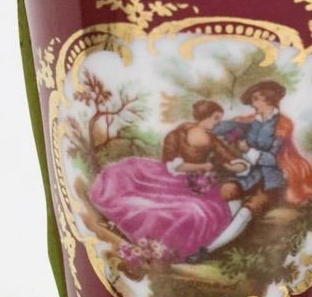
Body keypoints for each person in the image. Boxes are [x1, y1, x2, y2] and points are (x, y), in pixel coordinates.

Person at [86, 100, 243, 261]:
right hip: (170, 176)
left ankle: (164, 249)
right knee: (124, 177)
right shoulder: (178, 134)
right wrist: (203, 166)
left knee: (196, 212)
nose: (218, 123)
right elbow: (171, 163)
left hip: (194, 183)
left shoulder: (212, 139)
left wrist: (239, 164)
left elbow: (227, 156)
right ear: (204, 116)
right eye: (216, 118)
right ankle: (124, 229)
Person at [202, 79, 312, 253]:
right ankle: (213, 240)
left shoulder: (282, 124)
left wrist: (249, 150)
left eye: (256, 99)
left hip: (271, 180)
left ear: (269, 99)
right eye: (253, 99)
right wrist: (203, 126)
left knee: (248, 209)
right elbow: (225, 127)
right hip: (249, 175)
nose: (253, 103)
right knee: (227, 191)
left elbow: (273, 159)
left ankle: (208, 249)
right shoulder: (253, 121)